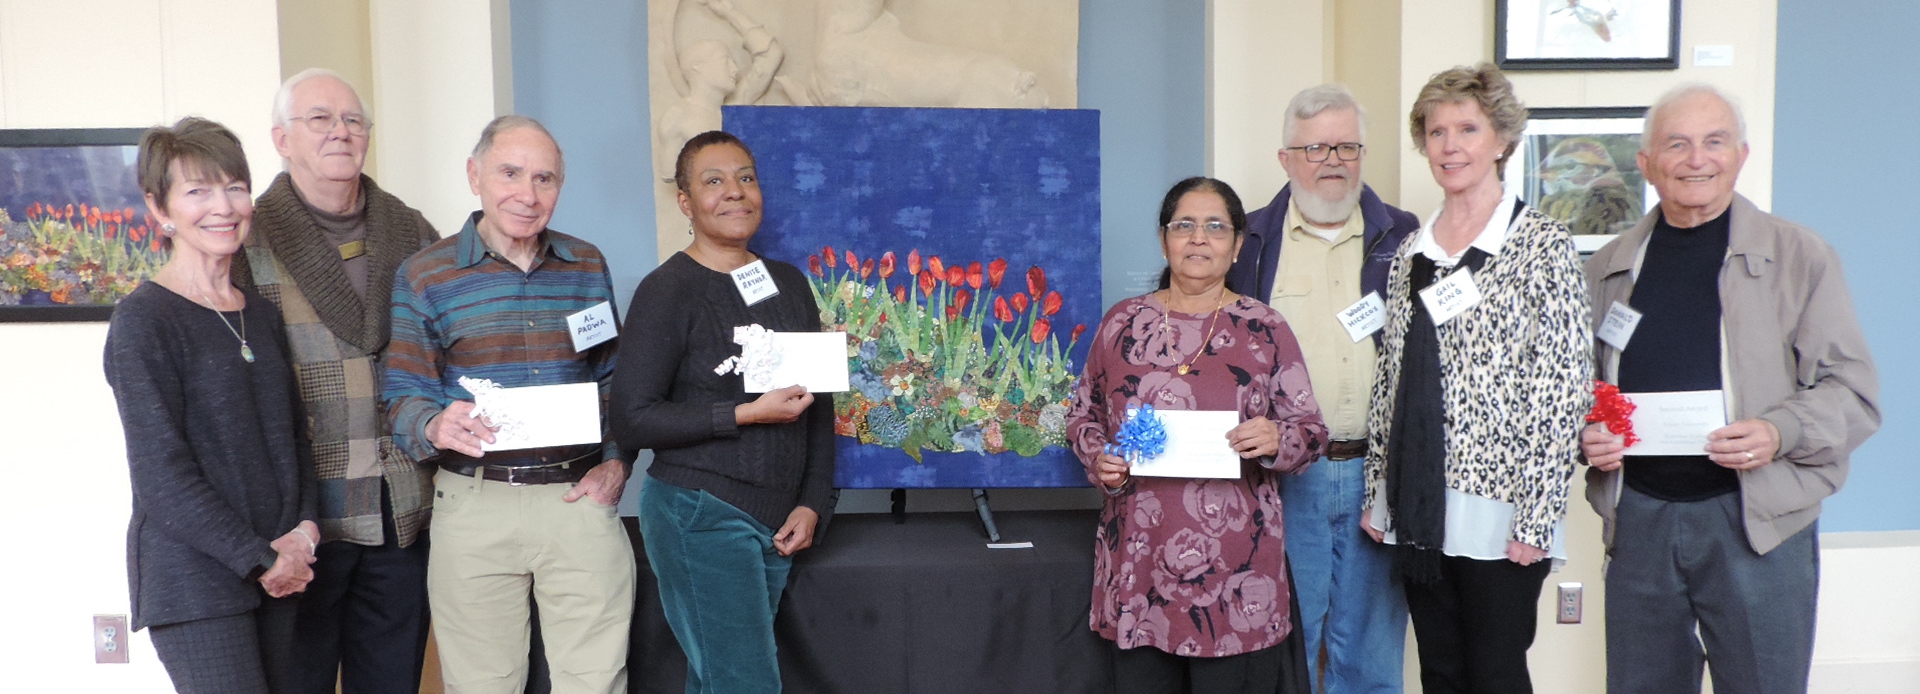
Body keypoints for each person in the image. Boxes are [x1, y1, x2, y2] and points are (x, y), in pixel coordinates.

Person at [1579, 84, 1880, 694]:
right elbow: (1574, 391)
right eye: (1677, 144)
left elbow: (1853, 392)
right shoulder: (1607, 268)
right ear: (1646, 164)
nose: (1697, 159)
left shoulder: (1801, 257)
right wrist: (1586, 435)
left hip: (1756, 524)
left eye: (1714, 142)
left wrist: (1779, 430)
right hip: (1639, 521)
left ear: (1740, 155)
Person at [1361, 63, 1592, 694]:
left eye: (1467, 128)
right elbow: (1391, 379)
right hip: (1421, 500)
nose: (1450, 145)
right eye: (1436, 132)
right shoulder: (1412, 249)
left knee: (1494, 673)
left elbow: (1562, 385)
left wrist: (1537, 515)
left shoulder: (1541, 242)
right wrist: (1381, 492)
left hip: (1501, 507)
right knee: (1440, 671)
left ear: (1501, 140)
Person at [383, 115, 635, 694]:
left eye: (545, 179)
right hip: (474, 504)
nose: (528, 194)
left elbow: (614, 378)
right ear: (475, 176)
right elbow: (401, 397)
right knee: (482, 685)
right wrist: (434, 423)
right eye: (510, 173)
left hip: (578, 498)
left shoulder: (586, 266)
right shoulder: (425, 275)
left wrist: (618, 461)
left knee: (596, 681)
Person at [1065, 176, 1328, 694]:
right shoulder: (1122, 323)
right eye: (1184, 225)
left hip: (1236, 571)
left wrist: (1277, 438)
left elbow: (1311, 431)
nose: (1198, 238)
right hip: (1139, 562)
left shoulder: (1265, 328)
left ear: (1235, 245)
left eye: (1214, 226)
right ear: (1164, 240)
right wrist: (1100, 459)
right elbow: (1082, 416)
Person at [232, 68, 440, 694]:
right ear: (281, 138)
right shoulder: (247, 235)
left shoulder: (412, 230)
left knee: (392, 681)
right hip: (301, 522)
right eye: (319, 119)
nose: (340, 132)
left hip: (402, 509)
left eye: (353, 121)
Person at [611, 131, 836, 694]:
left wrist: (812, 501)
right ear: (686, 203)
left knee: (721, 681)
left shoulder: (788, 282)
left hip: (774, 518)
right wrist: (744, 414)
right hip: (699, 513)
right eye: (713, 181)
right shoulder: (666, 291)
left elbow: (821, 401)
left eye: (746, 177)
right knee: (744, 685)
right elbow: (632, 419)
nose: (735, 192)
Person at [104, 116, 319, 693]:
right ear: (160, 209)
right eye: (198, 191)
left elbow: (293, 438)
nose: (223, 206)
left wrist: (302, 533)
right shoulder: (143, 321)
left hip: (278, 568)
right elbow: (161, 476)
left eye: (234, 187)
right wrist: (259, 558)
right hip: (197, 578)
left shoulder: (261, 314)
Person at [1225, 83, 1420, 694]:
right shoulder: (1249, 242)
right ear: (1286, 159)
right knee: (1284, 646)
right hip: (1284, 478)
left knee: (1370, 654)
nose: (1332, 160)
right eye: (1315, 149)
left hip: (1377, 473)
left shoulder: (1406, 237)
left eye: (1346, 145)